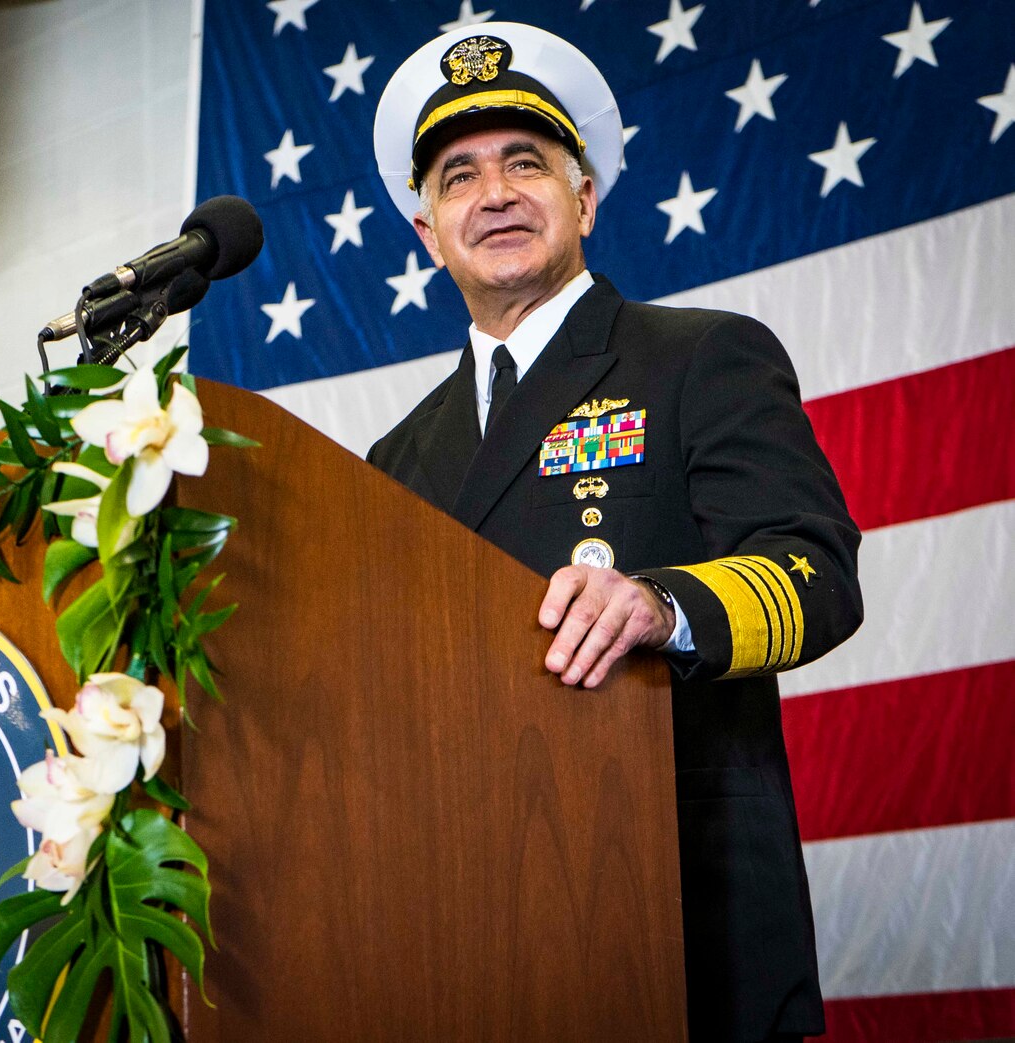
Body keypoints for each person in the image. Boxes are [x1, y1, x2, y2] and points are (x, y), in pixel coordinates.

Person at [367, 22, 862, 1043]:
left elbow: (816, 575)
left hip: (679, 914)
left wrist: (663, 602)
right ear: (426, 231)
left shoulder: (700, 356)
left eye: (525, 163)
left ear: (582, 198)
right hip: (463, 933)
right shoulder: (390, 458)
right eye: (458, 176)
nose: (493, 192)